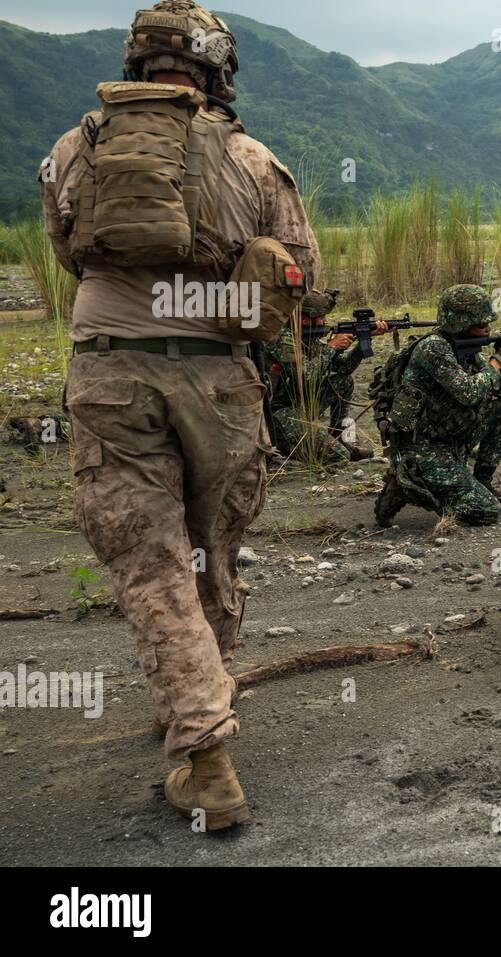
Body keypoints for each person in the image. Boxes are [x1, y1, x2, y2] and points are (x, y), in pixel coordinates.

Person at [41, 0, 319, 831]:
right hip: (219, 382)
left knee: (150, 564)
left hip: (112, 377)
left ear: (135, 63)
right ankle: (204, 721)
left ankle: (201, 743)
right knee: (209, 553)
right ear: (215, 69)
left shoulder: (72, 150)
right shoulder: (254, 160)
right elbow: (298, 270)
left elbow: (63, 251)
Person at [374, 283, 501, 526]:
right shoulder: (433, 348)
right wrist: (496, 363)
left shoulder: (468, 352)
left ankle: (482, 483)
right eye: (481, 325)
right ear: (460, 324)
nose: (488, 329)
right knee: (485, 511)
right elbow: (470, 393)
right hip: (422, 449)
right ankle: (406, 485)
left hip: (448, 439)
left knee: (500, 408)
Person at [265, 288, 380, 464]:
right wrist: (332, 347)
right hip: (279, 415)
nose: (324, 321)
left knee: (343, 382)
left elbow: (343, 368)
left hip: (301, 406)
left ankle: (340, 437)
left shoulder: (308, 339)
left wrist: (364, 339)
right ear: (304, 319)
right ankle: (285, 448)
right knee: (339, 457)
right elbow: (307, 376)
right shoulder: (283, 339)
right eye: (320, 317)